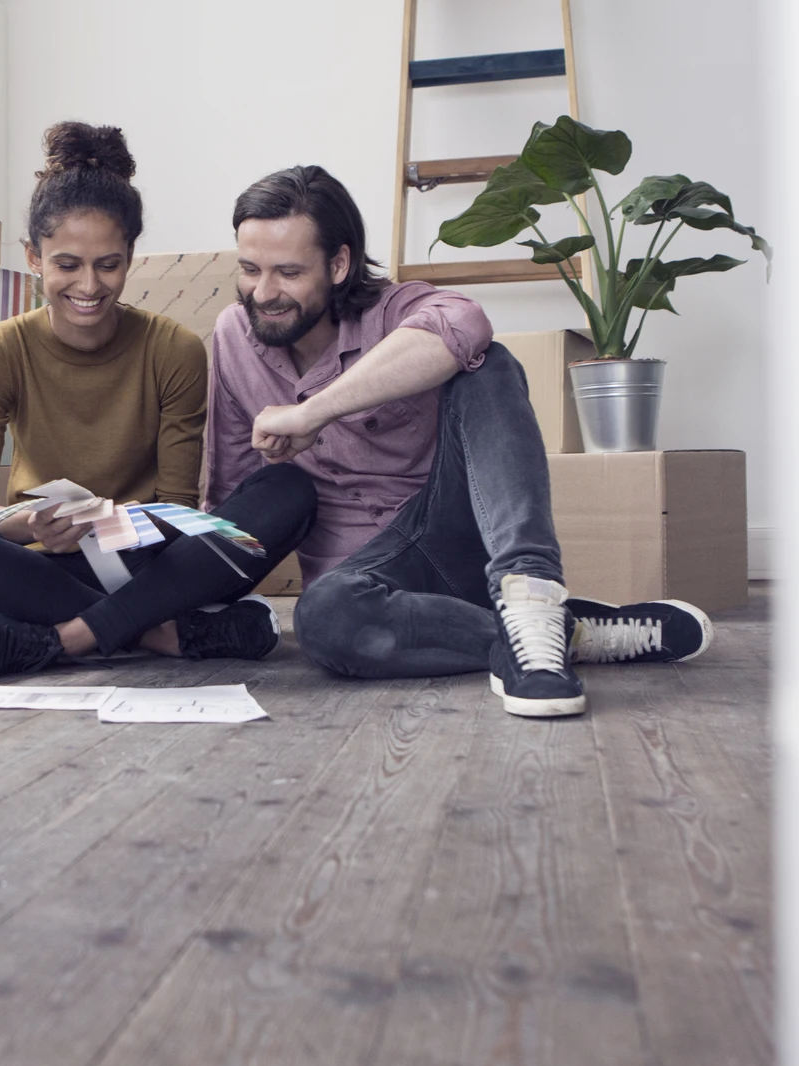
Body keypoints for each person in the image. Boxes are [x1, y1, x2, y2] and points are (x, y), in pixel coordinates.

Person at [204, 165, 711, 717]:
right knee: (322, 621)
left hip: (457, 533)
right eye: (250, 270)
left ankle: (530, 591)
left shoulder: (395, 311)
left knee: (485, 364)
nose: (264, 292)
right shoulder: (234, 335)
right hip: (378, 591)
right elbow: (235, 486)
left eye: (288, 272)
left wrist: (315, 412)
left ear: (339, 263)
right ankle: (553, 636)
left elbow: (466, 324)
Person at [0, 123, 318, 678]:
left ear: (129, 257)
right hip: (46, 568)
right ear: (34, 257)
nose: (89, 286)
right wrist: (28, 523)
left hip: (152, 564)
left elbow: (179, 506)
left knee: (288, 489)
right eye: (67, 264)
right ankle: (163, 635)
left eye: (108, 264)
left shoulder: (173, 349)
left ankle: (62, 640)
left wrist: (120, 520)